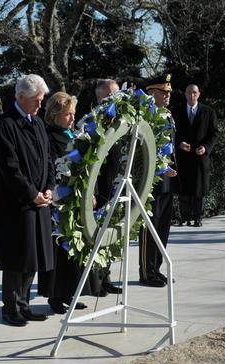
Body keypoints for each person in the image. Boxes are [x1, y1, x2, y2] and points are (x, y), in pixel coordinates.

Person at [0, 74, 55, 327]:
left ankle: (24, 303)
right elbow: (10, 167)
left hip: (39, 201)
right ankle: (11, 306)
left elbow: (48, 160)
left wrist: (49, 187)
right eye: (36, 100)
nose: (40, 105)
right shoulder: (5, 124)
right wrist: (31, 193)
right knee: (17, 258)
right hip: (17, 204)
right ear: (20, 97)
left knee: (33, 257)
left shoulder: (38, 123)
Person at [37, 92, 91, 314]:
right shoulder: (49, 135)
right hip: (59, 198)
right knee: (59, 249)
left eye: (73, 114)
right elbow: (52, 164)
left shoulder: (73, 133)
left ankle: (70, 293)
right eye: (67, 114)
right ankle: (55, 296)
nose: (71, 118)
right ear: (55, 114)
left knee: (74, 248)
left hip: (76, 197)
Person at [138, 74, 178, 287]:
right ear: (152, 93)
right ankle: (146, 271)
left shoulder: (168, 114)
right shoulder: (147, 115)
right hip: (150, 179)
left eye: (169, 92)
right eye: (164, 92)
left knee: (162, 227)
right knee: (149, 227)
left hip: (167, 179)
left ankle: (157, 267)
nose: (168, 95)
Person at [92, 78, 123, 296]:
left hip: (116, 183)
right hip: (99, 185)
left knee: (112, 233)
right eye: (112, 95)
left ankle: (107, 276)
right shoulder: (93, 119)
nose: (117, 98)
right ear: (101, 96)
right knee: (97, 234)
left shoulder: (121, 118)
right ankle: (95, 280)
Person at [173, 84, 218, 227]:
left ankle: (198, 218)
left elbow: (214, 133)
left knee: (199, 189)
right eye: (188, 93)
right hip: (183, 155)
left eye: (194, 93)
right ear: (185, 94)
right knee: (183, 189)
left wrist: (205, 147)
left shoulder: (208, 112)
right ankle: (184, 217)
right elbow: (172, 132)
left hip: (200, 155)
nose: (191, 95)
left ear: (199, 94)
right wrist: (179, 143)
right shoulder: (177, 111)